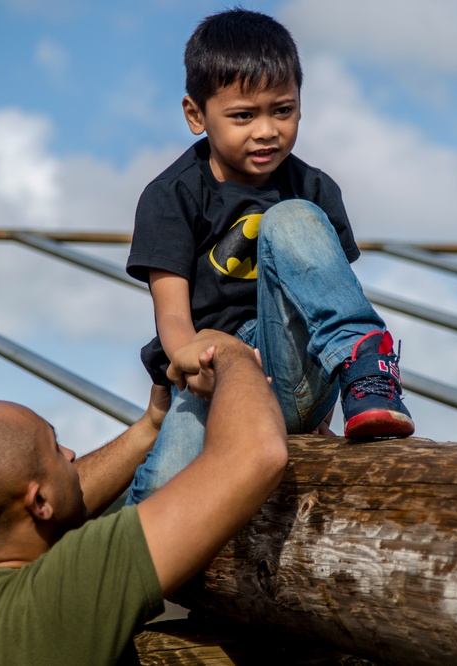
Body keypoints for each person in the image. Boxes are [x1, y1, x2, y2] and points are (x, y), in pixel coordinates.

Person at [125, 8, 414, 503]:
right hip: (217, 380)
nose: (266, 131)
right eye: (243, 115)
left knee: (292, 217)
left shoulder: (314, 189)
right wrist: (188, 355)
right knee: (161, 488)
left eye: (282, 110)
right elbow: (171, 313)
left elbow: (322, 298)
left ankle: (365, 363)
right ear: (196, 115)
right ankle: (110, 569)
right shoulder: (172, 195)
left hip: (299, 370)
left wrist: (314, 417)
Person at [0, 330, 287, 665]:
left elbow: (31, 502)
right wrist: (230, 353)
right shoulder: (55, 598)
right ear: (40, 502)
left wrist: (150, 427)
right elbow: (255, 454)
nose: (70, 455)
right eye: (55, 446)